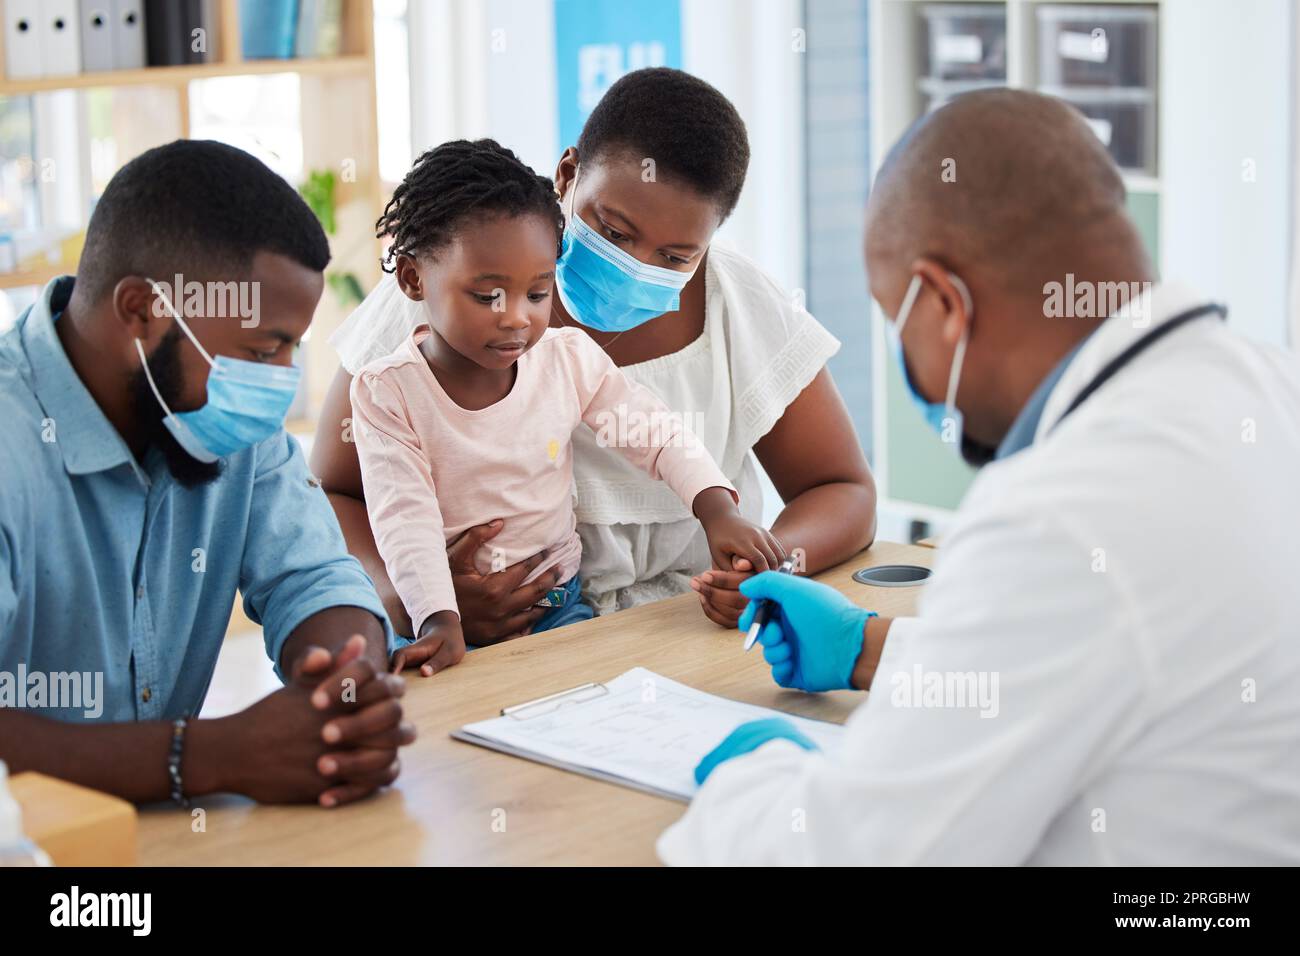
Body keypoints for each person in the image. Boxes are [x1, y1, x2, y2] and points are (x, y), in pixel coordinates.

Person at [658, 89, 1300, 865]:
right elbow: (1100, 653)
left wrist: (749, 777)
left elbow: (856, 853)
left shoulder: (1062, 511)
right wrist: (873, 645)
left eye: (899, 320)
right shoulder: (1269, 389)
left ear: (943, 304)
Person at [312, 67, 877, 642]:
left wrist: (768, 568)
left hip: (683, 625)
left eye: (676, 257)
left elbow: (841, 489)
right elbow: (334, 490)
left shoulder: (735, 301)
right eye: (613, 231)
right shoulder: (443, 286)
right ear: (568, 175)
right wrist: (415, 600)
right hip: (481, 631)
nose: (635, 268)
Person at [0, 140, 415, 808]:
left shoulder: (216, 413)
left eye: (292, 347)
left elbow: (314, 579)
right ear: (140, 311)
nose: (280, 380)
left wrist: (348, 685)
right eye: (262, 348)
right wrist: (208, 756)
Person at [351, 139, 782, 673]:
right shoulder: (388, 391)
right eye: (488, 296)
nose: (516, 318)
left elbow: (657, 434)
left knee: (580, 707)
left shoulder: (566, 359)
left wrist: (717, 509)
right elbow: (404, 517)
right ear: (414, 278)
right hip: (438, 617)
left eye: (537, 293)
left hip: (556, 604)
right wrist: (437, 618)